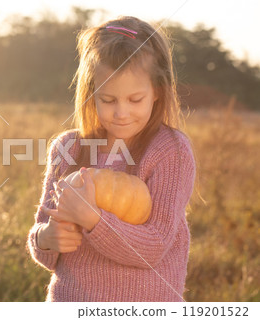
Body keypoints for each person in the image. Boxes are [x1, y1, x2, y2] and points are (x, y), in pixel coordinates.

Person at [26, 16, 196, 302]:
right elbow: (45, 239)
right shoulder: (67, 148)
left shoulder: (170, 150)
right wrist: (45, 238)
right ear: (91, 93)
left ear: (157, 91)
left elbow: (155, 246)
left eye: (134, 99)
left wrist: (93, 221)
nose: (121, 112)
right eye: (108, 100)